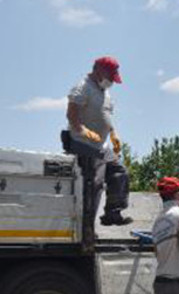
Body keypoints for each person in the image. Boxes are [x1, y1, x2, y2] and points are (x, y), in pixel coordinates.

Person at [65, 56, 132, 228]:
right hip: (83, 144)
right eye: (111, 77)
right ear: (99, 71)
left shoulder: (105, 92)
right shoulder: (83, 87)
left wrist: (113, 134)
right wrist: (83, 131)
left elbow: (105, 116)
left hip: (102, 145)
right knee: (93, 185)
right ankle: (85, 228)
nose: (112, 82)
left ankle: (112, 212)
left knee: (120, 173)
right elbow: (71, 114)